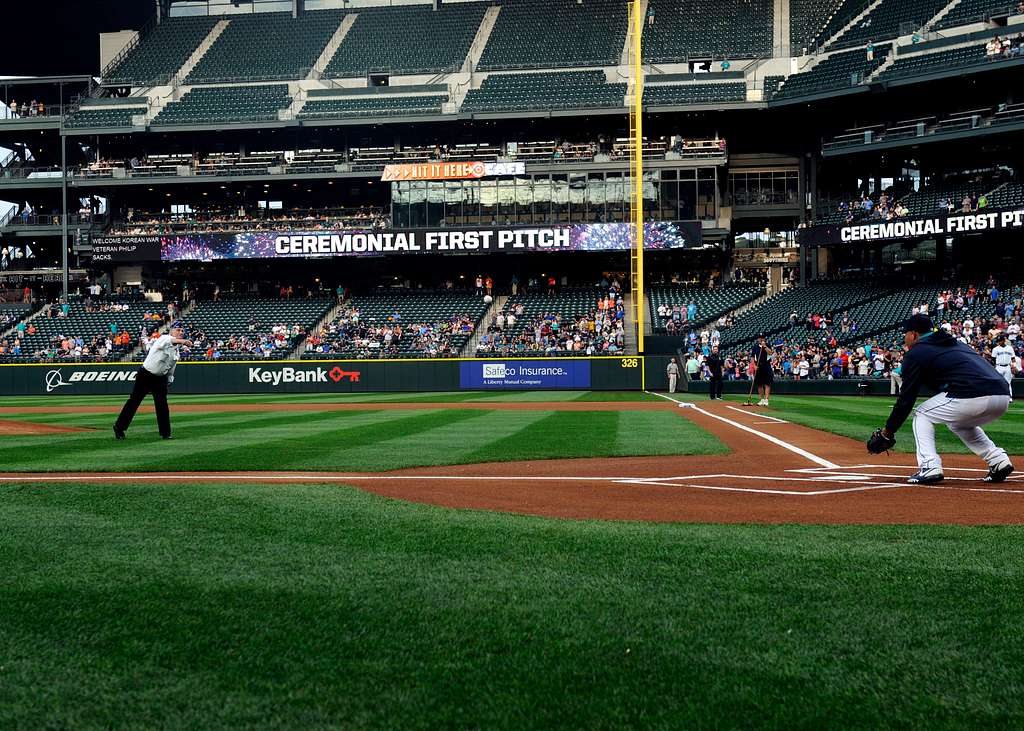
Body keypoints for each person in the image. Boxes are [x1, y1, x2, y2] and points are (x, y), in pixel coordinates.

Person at [873, 315, 1013, 484]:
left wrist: (888, 432)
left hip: (972, 394)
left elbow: (906, 399)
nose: (905, 338)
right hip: (1002, 395)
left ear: (914, 334)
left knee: (922, 414)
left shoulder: (916, 352)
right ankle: (998, 460)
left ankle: (930, 465)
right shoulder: (955, 343)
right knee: (959, 423)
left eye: (906, 334)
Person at [113, 321, 192, 440]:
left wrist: (170, 379)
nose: (180, 332)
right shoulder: (164, 338)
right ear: (171, 331)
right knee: (134, 401)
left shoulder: (176, 351)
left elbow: (171, 367)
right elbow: (170, 341)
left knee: (162, 405)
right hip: (146, 375)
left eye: (182, 330)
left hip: (160, 378)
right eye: (178, 330)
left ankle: (165, 433)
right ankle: (119, 428)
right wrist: (184, 341)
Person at [753, 335, 773, 406]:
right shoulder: (755, 347)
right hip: (758, 366)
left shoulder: (768, 345)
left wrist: (764, 346)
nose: (761, 339)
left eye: (762, 338)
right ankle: (761, 399)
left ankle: (766, 400)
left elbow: (770, 353)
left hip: (766, 366)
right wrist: (754, 365)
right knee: (759, 384)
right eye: (759, 338)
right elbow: (753, 357)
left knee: (767, 383)